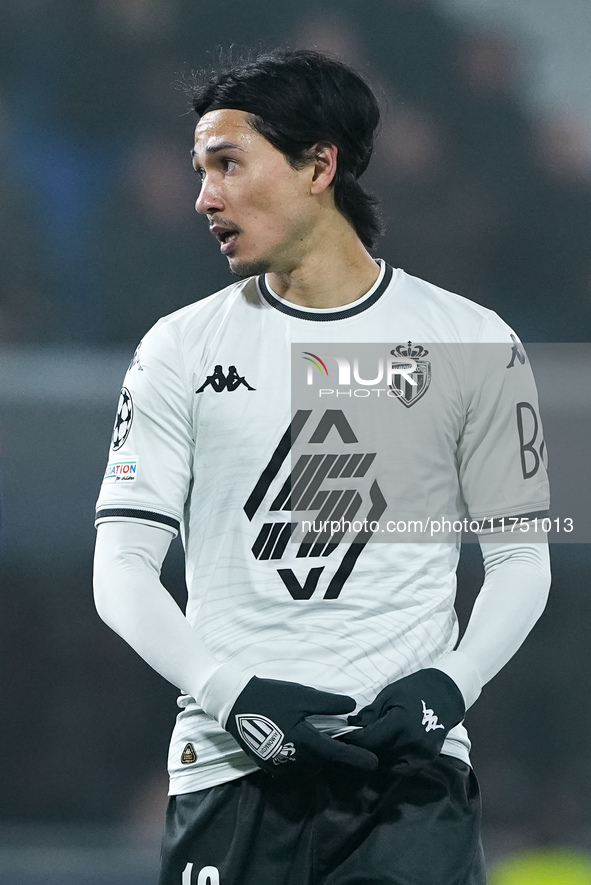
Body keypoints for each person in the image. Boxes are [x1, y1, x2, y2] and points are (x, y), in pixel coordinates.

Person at [93, 49, 551, 885]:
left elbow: (523, 560)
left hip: (409, 783)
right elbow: (119, 568)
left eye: (227, 164)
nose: (204, 196)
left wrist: (451, 684)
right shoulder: (177, 347)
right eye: (200, 170)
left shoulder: (474, 339)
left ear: (318, 164)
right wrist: (229, 691)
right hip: (229, 771)